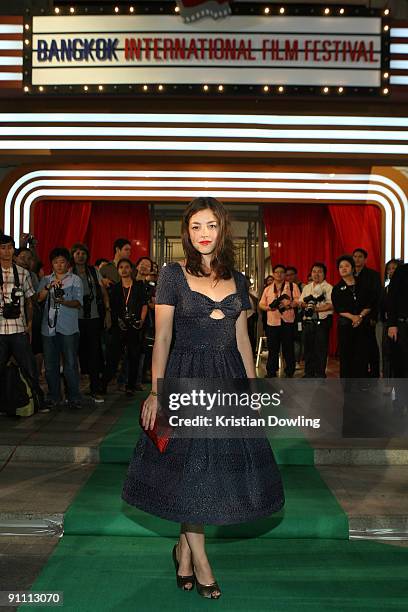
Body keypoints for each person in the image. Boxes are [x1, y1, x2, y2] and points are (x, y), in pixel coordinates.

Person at [122, 197, 284, 600]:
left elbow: (244, 341)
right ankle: (202, 560)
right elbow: (160, 339)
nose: (203, 234)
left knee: (210, 472)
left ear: (222, 229)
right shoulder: (172, 275)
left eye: (210, 225)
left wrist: (252, 390)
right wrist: (157, 392)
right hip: (186, 379)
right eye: (195, 227)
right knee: (191, 470)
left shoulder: (240, 280)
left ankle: (183, 553)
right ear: (186, 232)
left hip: (228, 380)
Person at [0, 234, 45, 411]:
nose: (7, 251)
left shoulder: (23, 272)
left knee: (29, 367)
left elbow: (29, 301)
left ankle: (37, 401)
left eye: (10, 247)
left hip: (18, 328)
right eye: (3, 247)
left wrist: (30, 324)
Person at [37, 248, 83, 410]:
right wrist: (49, 286)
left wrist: (63, 301)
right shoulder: (46, 279)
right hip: (48, 328)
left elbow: (78, 303)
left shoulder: (75, 279)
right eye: (56, 262)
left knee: (70, 364)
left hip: (69, 328)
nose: (59, 265)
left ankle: (74, 397)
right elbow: (38, 298)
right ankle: (54, 396)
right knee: (50, 365)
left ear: (67, 263)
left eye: (62, 261)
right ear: (52, 264)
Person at [71, 243, 112, 403]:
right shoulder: (69, 272)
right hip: (73, 319)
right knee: (73, 354)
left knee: (95, 354)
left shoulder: (94, 271)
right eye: (77, 253)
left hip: (93, 318)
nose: (80, 256)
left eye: (83, 253)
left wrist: (107, 312)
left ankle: (95, 388)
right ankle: (72, 392)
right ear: (73, 255)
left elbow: (103, 293)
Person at [102, 258, 148, 396]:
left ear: (131, 269)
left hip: (134, 326)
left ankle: (130, 386)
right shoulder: (115, 288)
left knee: (134, 357)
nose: (124, 269)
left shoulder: (139, 286)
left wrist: (141, 320)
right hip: (119, 327)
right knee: (113, 357)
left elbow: (144, 304)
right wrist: (117, 321)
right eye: (121, 267)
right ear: (118, 270)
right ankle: (103, 384)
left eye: (127, 267)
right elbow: (112, 308)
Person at [331, 255, 372, 378]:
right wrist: (353, 317)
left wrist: (359, 316)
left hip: (362, 324)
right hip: (346, 326)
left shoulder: (363, 284)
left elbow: (370, 303)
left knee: (362, 355)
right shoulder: (337, 288)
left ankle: (362, 384)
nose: (343, 268)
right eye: (340, 267)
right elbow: (338, 307)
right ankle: (347, 387)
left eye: (347, 266)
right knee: (346, 356)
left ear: (353, 268)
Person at [259, 264, 301, 377]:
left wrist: (290, 305)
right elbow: (261, 304)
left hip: (287, 321)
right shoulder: (267, 289)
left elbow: (299, 301)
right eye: (276, 272)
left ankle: (289, 371)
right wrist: (269, 307)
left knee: (288, 348)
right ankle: (271, 372)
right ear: (273, 274)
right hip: (272, 322)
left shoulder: (292, 286)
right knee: (273, 349)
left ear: (285, 274)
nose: (279, 274)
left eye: (282, 272)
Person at [300, 262, 333, 378]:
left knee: (320, 349)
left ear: (324, 274)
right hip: (308, 321)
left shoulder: (328, 288)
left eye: (319, 272)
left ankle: (320, 373)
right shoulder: (307, 287)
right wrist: (307, 305)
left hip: (323, 321)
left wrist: (316, 309)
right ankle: (308, 373)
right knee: (308, 348)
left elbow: (331, 305)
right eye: (314, 271)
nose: (316, 274)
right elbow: (301, 302)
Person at [352, 248, 382, 377]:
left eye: (360, 257)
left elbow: (376, 297)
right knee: (357, 348)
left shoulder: (373, 275)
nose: (357, 259)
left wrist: (373, 316)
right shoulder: (350, 274)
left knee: (371, 347)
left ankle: (374, 374)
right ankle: (360, 373)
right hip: (353, 317)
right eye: (355, 256)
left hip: (369, 316)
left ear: (365, 259)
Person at [386, 262, 408, 410]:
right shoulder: (402, 270)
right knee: (402, 364)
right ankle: (400, 401)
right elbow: (392, 298)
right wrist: (392, 324)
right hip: (402, 325)